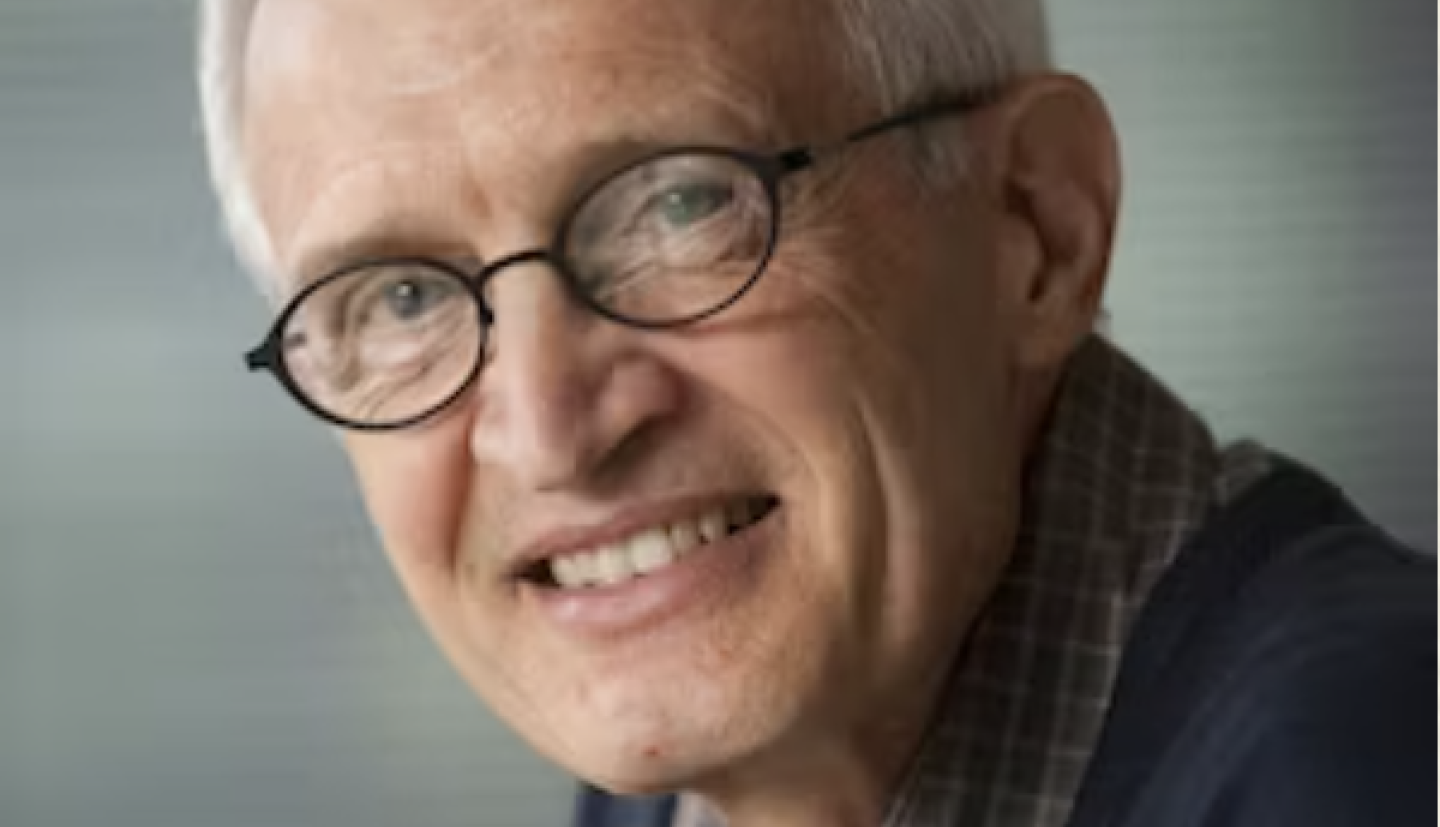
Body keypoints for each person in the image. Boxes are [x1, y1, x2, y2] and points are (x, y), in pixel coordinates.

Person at [195, 2, 1433, 825]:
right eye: (402, 295)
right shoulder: (689, 752)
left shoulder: (1363, 769)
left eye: (678, 205)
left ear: (1035, 226)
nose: (550, 430)